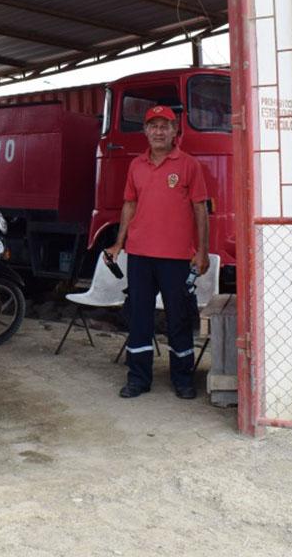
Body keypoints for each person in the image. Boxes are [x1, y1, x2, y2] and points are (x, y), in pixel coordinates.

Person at [107, 105, 210, 400]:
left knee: (178, 318)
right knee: (139, 317)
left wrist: (202, 252)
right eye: (153, 126)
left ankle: (183, 379)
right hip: (139, 255)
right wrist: (119, 242)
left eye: (165, 126)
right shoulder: (136, 165)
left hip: (177, 257)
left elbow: (200, 209)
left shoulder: (189, 165)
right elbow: (129, 204)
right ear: (145, 132)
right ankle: (138, 378)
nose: (159, 131)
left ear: (175, 130)